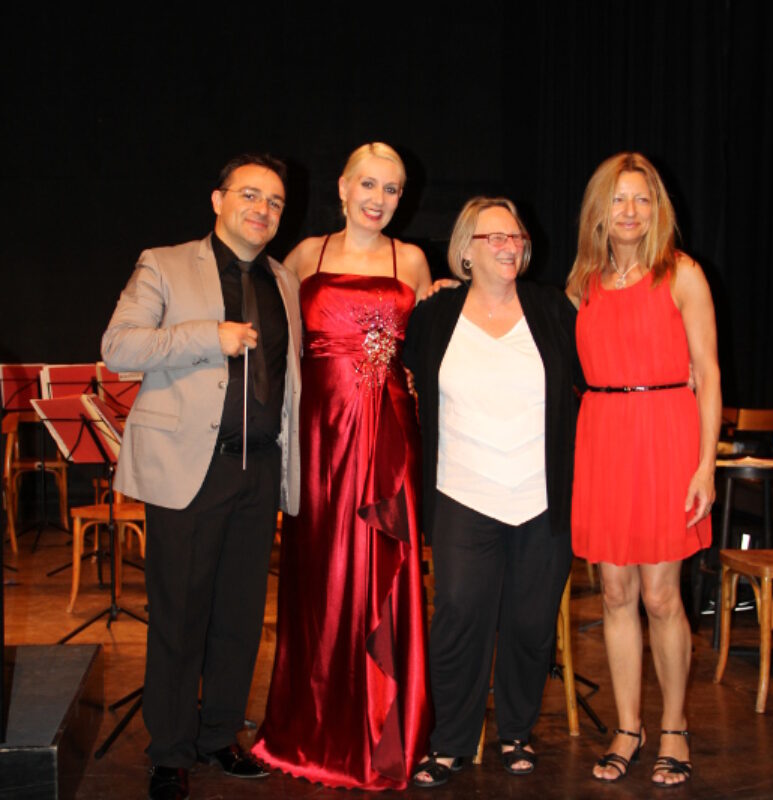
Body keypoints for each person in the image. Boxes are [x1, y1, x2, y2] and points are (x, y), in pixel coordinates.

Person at [101, 153, 301, 800]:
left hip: (260, 468)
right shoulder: (164, 262)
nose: (262, 209)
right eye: (249, 195)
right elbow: (120, 347)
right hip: (191, 470)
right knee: (180, 617)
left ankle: (219, 737)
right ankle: (169, 749)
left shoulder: (284, 282)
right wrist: (203, 337)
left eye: (274, 201)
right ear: (217, 200)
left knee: (240, 618)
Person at [251, 142, 432, 790]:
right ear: (343, 187)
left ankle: (384, 732)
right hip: (321, 439)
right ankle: (311, 729)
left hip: (387, 437)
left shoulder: (409, 259)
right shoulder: (306, 256)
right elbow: (275, 345)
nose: (379, 199)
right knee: (320, 582)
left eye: (392, 189)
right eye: (369, 185)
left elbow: (430, 347)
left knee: (383, 574)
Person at [402, 197, 578, 788]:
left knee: (531, 624)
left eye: (516, 236)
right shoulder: (434, 314)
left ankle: (516, 733)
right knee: (458, 619)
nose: (509, 245)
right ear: (466, 250)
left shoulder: (554, 308)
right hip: (461, 492)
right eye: (494, 237)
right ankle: (450, 743)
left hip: (541, 496)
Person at [566, 152, 721, 787]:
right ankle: (628, 728)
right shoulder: (584, 283)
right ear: (599, 211)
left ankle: (675, 727)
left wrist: (705, 464)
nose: (630, 211)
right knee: (616, 594)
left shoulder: (682, 273)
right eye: (618, 199)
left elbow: (709, 375)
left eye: (642, 199)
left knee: (661, 595)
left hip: (666, 436)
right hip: (604, 437)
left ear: (659, 209)